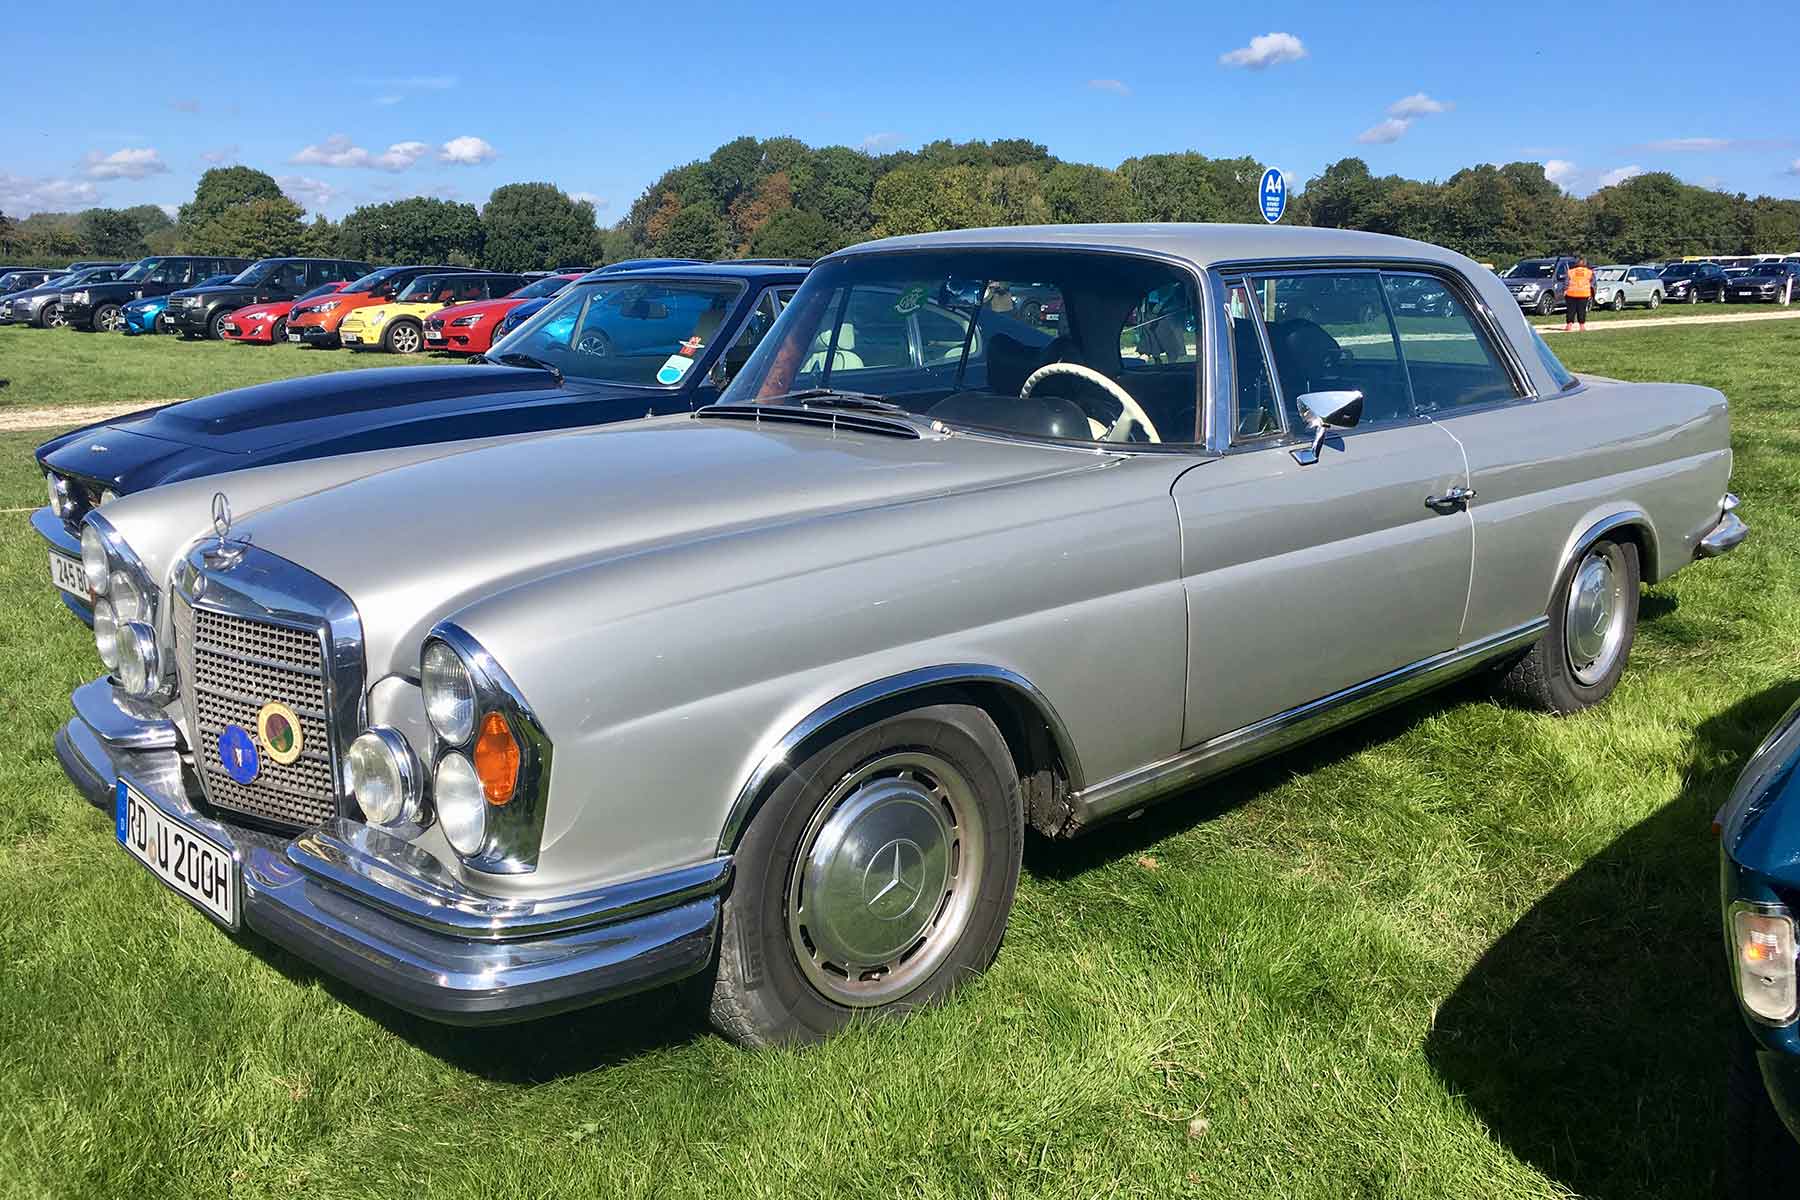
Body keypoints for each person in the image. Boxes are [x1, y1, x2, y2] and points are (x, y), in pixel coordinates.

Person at [1564, 256, 1594, 332]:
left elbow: (1566, 282)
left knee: (1571, 310)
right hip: (1584, 294)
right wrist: (1593, 293)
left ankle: (1569, 325)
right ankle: (1582, 326)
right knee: (1582, 310)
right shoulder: (1589, 272)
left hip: (1571, 293)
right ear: (1585, 263)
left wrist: (1564, 290)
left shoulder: (1570, 271)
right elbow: (1593, 283)